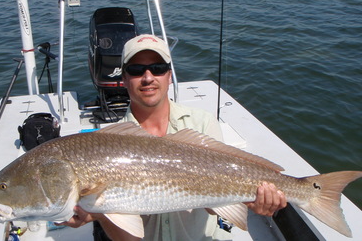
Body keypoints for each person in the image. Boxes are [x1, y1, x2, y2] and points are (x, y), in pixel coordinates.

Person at [59, 34, 287, 240]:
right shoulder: (108, 145)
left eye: (158, 68)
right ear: (124, 78)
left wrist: (253, 199)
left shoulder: (202, 123)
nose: (148, 77)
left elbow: (213, 205)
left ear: (169, 75)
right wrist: (97, 213)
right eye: (137, 70)